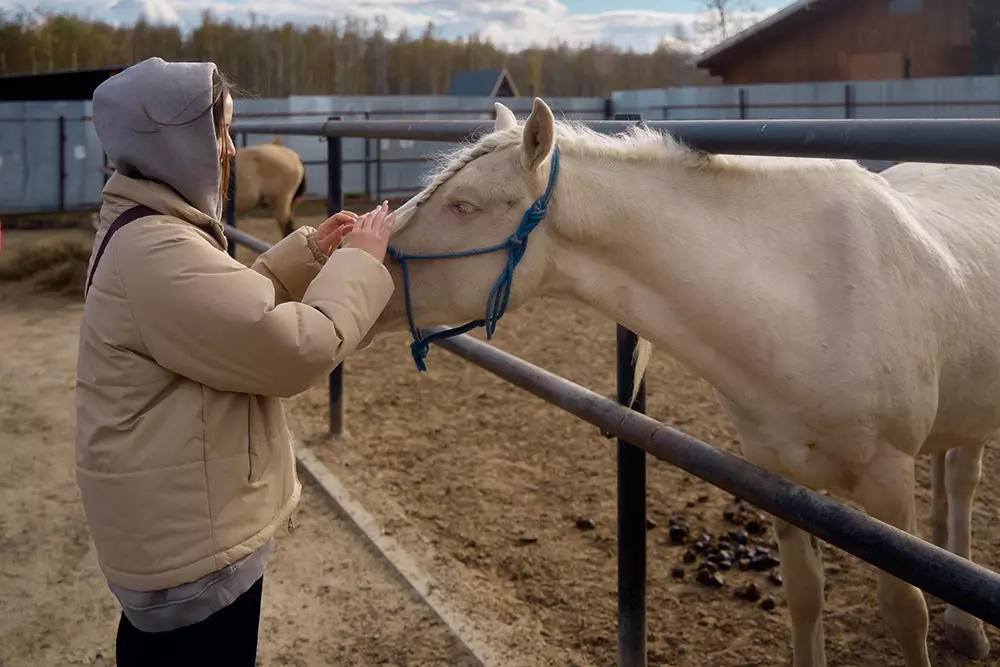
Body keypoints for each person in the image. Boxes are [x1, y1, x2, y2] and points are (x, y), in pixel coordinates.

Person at [75, 57, 396, 666]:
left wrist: (299, 258)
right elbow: (297, 350)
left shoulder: (150, 228)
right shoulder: (158, 249)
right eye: (218, 131)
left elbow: (212, 318)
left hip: (179, 526)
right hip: (192, 551)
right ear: (173, 143)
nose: (228, 149)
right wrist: (361, 260)